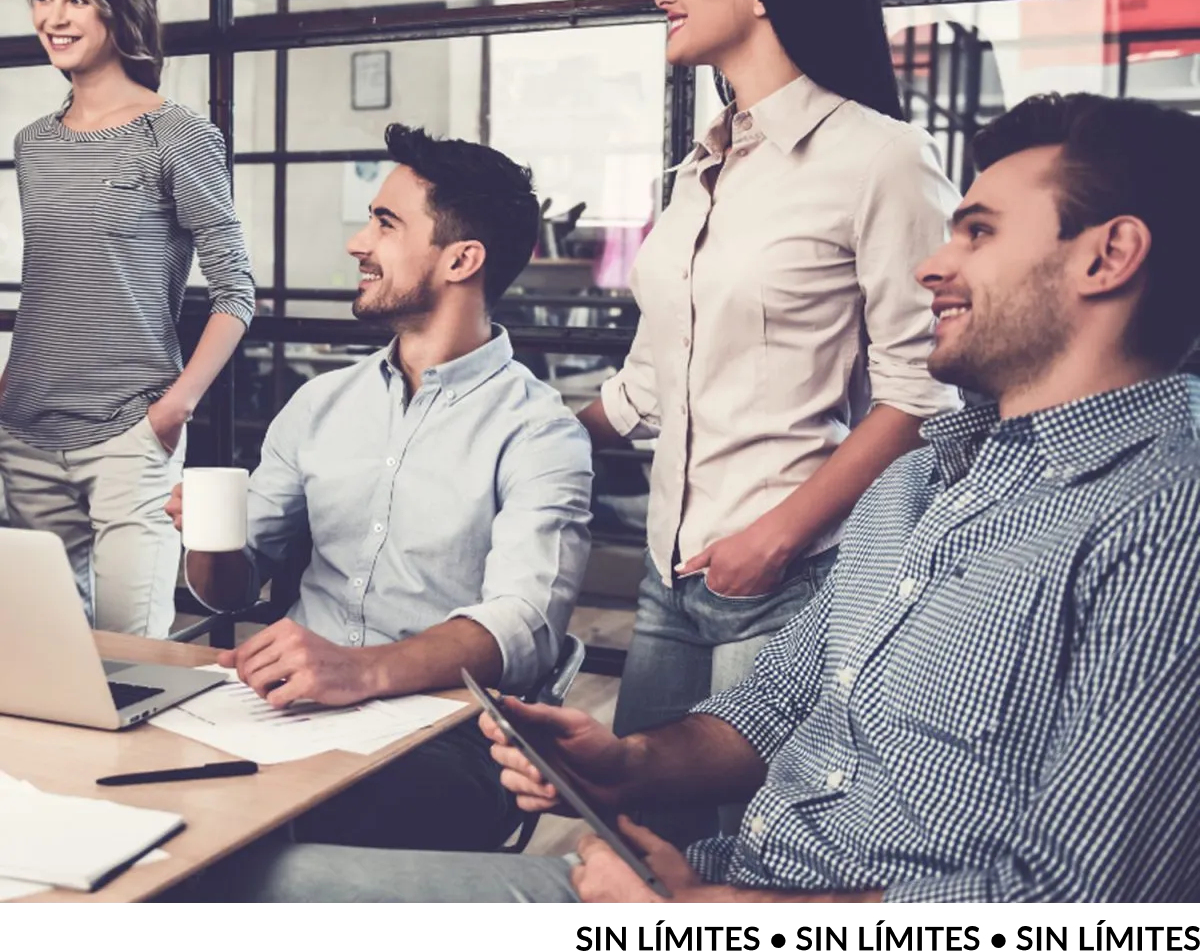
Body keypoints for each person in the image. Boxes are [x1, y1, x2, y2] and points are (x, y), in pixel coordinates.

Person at [203, 92, 1200, 906]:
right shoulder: (917, 482)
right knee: (237, 883)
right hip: (713, 880)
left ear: (1108, 256)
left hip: (737, 897)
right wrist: (621, 763)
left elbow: (1083, 890)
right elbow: (772, 708)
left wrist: (721, 906)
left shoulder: (1163, 519)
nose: (932, 265)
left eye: (976, 233)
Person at [575, 0, 961, 843]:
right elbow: (649, 380)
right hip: (670, 572)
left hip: (787, 578)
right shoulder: (703, 167)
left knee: (749, 853)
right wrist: (516, 435)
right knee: (637, 835)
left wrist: (776, 539)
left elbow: (925, 397)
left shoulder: (881, 158)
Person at [168, 124, 593, 853]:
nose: (357, 243)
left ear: (462, 259)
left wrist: (359, 671)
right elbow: (230, 589)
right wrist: (211, 539)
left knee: (302, 830)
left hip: (446, 732)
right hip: (283, 708)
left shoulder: (541, 433)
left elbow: (522, 626)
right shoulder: (320, 404)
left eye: (386, 223)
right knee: (145, 787)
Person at [0, 0, 254, 638]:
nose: (54, 17)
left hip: (129, 437)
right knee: (47, 656)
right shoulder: (33, 144)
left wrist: (175, 408)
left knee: (132, 658)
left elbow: (236, 290)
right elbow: (53, 282)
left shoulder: (179, 135)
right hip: (26, 435)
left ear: (119, 5)